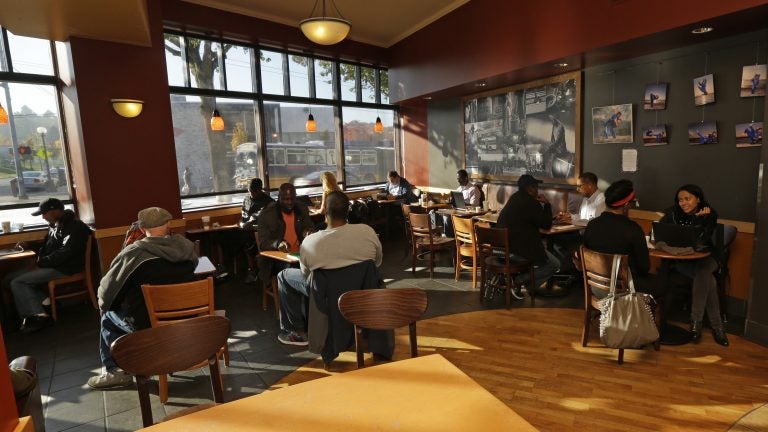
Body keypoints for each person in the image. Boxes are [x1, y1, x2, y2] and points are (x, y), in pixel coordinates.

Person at [86, 207, 198, 389]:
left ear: (141, 227)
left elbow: (107, 294)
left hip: (149, 324)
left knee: (107, 315)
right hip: (187, 318)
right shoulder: (186, 248)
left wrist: (104, 304)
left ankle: (116, 371)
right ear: (169, 224)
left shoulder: (133, 255)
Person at [276, 191, 382, 345]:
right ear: (348, 210)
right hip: (360, 290)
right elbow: (377, 263)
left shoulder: (310, 242)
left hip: (326, 295)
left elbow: (307, 275)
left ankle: (298, 332)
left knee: (284, 276)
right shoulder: (367, 232)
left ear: (325, 210)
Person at [2, 198, 90, 333]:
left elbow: (66, 252)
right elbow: (49, 246)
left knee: (17, 282)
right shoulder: (55, 225)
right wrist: (30, 245)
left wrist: (40, 263)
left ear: (55, 211)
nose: (43, 217)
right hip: (53, 265)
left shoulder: (74, 226)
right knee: (7, 279)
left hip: (65, 268)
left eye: (44, 213)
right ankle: (45, 302)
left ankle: (38, 317)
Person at [659, 184, 728, 346]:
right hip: (683, 260)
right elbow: (658, 232)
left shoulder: (709, 214)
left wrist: (698, 219)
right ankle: (717, 327)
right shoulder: (672, 212)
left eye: (687, 199)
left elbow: (699, 242)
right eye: (680, 200)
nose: (683, 203)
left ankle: (696, 322)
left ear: (698, 199)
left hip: (707, 257)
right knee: (708, 280)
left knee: (704, 272)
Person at [582, 180, 661, 299]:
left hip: (596, 287)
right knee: (664, 283)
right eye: (633, 202)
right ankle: (647, 316)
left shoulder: (592, 225)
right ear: (626, 205)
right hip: (623, 290)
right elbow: (644, 268)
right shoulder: (633, 229)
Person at [496, 174, 560, 297]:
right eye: (536, 187)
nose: (538, 190)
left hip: (502, 249)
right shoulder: (531, 203)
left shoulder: (514, 198)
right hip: (518, 251)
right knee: (554, 264)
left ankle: (529, 285)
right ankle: (520, 280)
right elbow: (546, 225)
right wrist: (547, 204)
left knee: (541, 250)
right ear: (530, 189)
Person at [257, 183, 315, 284]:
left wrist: (308, 232)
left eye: (292, 199)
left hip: (301, 255)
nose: (290, 203)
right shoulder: (266, 214)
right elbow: (263, 243)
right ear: (278, 198)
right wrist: (278, 244)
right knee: (294, 271)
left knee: (322, 265)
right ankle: (304, 296)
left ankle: (311, 295)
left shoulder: (301, 209)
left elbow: (309, 227)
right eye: (285, 199)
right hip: (277, 260)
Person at [237, 178, 274, 283]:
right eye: (249, 191)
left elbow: (270, 223)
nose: (251, 193)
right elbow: (243, 214)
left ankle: (252, 270)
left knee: (247, 240)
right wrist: (241, 223)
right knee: (225, 237)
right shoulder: (247, 198)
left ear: (259, 190)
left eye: (253, 192)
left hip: (261, 231)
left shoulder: (269, 202)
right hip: (245, 228)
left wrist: (252, 226)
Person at [441, 169, 482, 237]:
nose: (458, 180)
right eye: (457, 179)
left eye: (459, 178)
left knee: (447, 218)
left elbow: (475, 205)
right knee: (439, 214)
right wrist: (452, 200)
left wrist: (463, 203)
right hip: (457, 211)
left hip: (467, 214)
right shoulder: (459, 189)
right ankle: (447, 238)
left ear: (465, 178)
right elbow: (455, 201)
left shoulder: (473, 189)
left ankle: (451, 240)